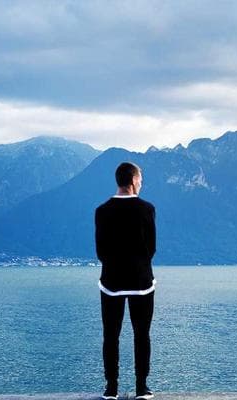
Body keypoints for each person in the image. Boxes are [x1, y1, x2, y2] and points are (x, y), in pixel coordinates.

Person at [94, 161, 157, 400]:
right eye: (140, 179)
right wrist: (139, 265)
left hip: (111, 281)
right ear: (132, 180)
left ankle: (111, 388)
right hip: (142, 282)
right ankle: (142, 387)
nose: (141, 183)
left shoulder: (101, 211)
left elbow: (100, 250)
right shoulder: (147, 209)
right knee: (142, 334)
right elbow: (151, 247)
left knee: (111, 335)